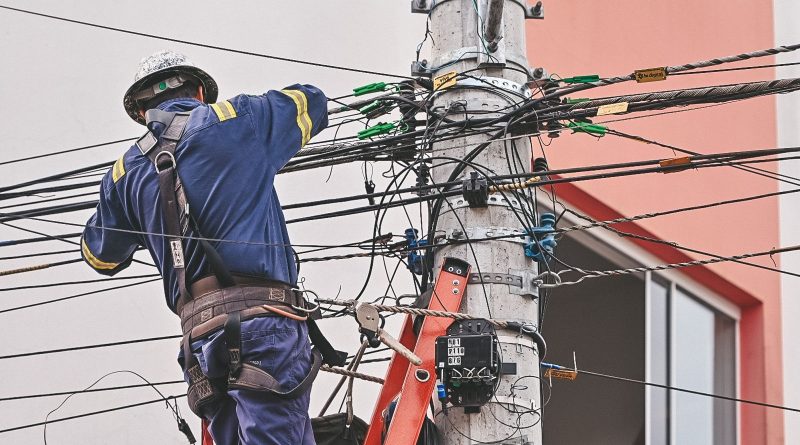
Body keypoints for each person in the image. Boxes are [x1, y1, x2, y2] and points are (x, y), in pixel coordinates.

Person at [80, 50, 332, 444]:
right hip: (262, 322)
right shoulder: (239, 118)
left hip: (198, 342)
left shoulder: (122, 173)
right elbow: (312, 101)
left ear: (142, 112)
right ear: (200, 91)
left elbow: (100, 256)